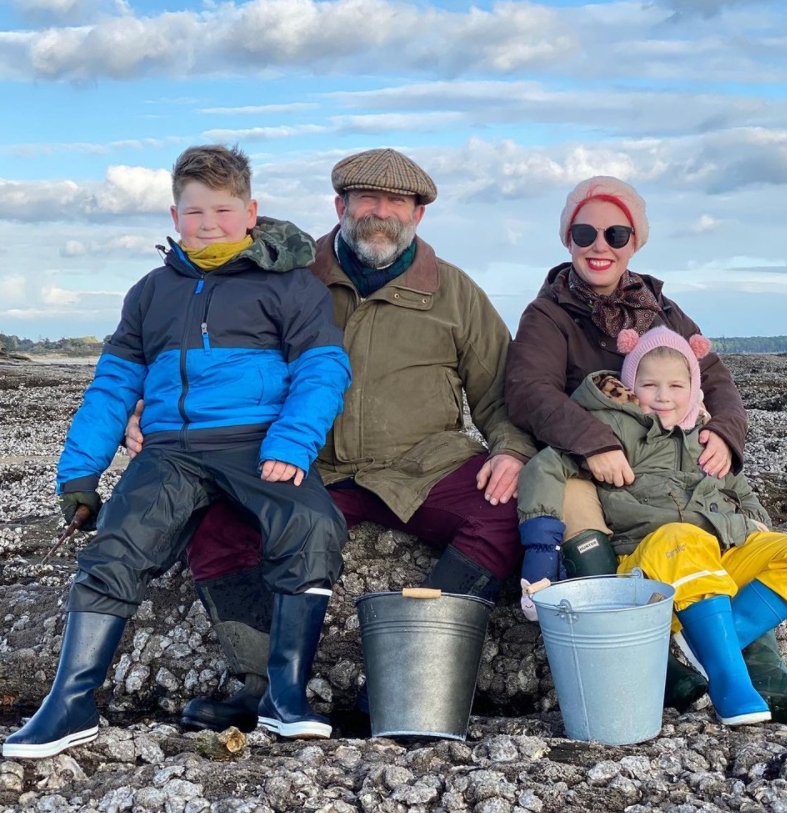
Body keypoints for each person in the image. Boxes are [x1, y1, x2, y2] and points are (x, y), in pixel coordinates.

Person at [124, 148, 537, 733]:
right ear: (340, 205)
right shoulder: (284, 276)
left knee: (504, 512)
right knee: (218, 528)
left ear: (418, 214)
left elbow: (498, 392)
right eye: (366, 199)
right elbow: (200, 351)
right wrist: (147, 410)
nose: (380, 213)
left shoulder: (457, 293)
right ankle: (257, 683)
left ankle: (412, 672)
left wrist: (510, 449)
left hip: (422, 464)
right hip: (305, 462)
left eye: (397, 202)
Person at [2, 145, 351, 759]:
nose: (209, 223)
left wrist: (292, 443)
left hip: (257, 441)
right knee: (115, 546)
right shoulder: (151, 292)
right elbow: (113, 383)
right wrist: (79, 471)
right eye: (194, 212)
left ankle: (284, 697)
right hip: (170, 450)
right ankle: (70, 704)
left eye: (222, 209)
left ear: (251, 210)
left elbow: (322, 368)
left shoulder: (291, 284)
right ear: (173, 214)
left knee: (313, 524)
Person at [505, 175, 787, 725]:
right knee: (588, 501)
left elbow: (716, 380)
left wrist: (724, 432)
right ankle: (646, 651)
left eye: (616, 232)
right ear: (568, 239)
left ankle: (750, 667)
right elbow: (528, 392)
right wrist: (595, 440)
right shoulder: (548, 314)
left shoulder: (663, 312)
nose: (599, 244)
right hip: (591, 462)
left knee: (739, 525)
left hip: (670, 457)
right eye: (584, 231)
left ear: (635, 242)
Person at [517, 326, 787, 725]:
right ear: (631, 386)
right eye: (649, 385)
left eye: (676, 385)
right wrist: (540, 551)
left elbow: (744, 495)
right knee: (683, 538)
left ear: (693, 388)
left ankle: (718, 644)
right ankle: (729, 680)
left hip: (718, 560)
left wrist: (754, 525)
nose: (663, 395)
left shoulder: (707, 439)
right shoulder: (613, 432)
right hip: (651, 566)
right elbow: (543, 467)